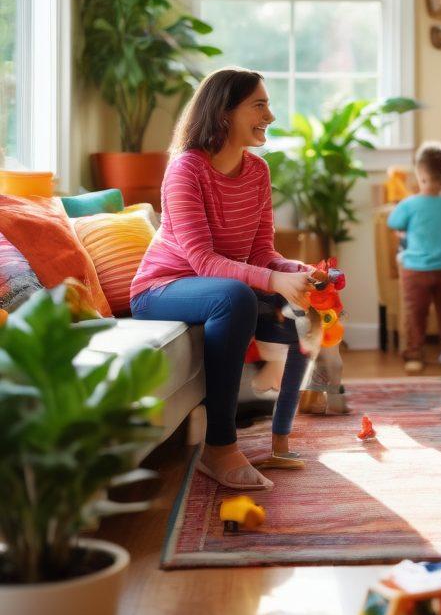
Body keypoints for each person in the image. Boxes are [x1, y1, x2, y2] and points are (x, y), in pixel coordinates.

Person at [130, 68, 327, 491]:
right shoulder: (186, 169)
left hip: (220, 290)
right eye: (259, 105)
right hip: (162, 290)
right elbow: (201, 260)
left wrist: (299, 272)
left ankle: (279, 440)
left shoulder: (257, 172)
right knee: (236, 297)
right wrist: (270, 281)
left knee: (302, 319)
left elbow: (261, 254)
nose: (270, 115)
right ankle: (219, 447)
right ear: (224, 112)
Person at [387, 142, 441, 374]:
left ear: (419, 174)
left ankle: (414, 353)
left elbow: (394, 224)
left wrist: (405, 232)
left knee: (415, 313)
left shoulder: (409, 204)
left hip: (414, 269)